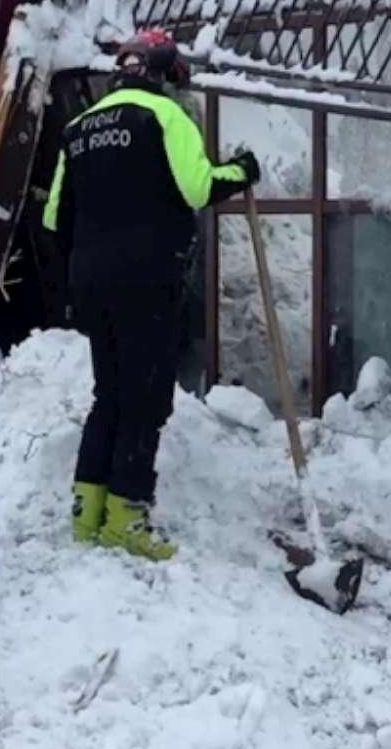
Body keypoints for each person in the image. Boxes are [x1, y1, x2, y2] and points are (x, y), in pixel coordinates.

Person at [40, 29, 259, 562]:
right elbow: (197, 187)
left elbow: (53, 219)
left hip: (91, 281)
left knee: (109, 393)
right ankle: (127, 516)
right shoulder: (164, 117)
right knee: (146, 398)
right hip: (148, 278)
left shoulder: (78, 129)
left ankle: (87, 511)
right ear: (163, 76)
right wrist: (243, 170)